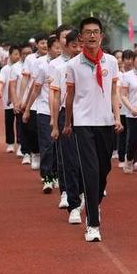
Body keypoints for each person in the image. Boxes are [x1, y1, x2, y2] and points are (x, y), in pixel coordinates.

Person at [63, 17, 123, 242]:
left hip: (106, 122)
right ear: (80, 37)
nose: (91, 35)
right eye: (87, 32)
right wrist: (68, 123)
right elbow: (69, 97)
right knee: (89, 170)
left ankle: (93, 202)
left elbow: (114, 91)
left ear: (102, 35)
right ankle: (93, 224)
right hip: (84, 122)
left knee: (104, 168)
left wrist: (117, 116)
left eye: (95, 32)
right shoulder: (73, 65)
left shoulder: (111, 62)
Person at [51, 30, 84, 219]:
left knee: (88, 161)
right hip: (67, 115)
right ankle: (73, 204)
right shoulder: (60, 69)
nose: (78, 49)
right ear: (67, 46)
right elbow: (56, 97)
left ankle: (83, 193)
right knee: (70, 160)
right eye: (74, 46)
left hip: (89, 117)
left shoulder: (94, 66)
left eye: (81, 45)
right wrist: (55, 124)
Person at [24, 35, 59, 193]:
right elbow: (36, 88)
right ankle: (47, 178)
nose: (59, 50)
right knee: (47, 145)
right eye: (56, 47)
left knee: (59, 146)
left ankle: (57, 174)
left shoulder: (66, 64)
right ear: (50, 48)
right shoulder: (42, 65)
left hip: (61, 110)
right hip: (44, 110)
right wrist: (27, 109)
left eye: (61, 47)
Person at [17, 35, 47, 169]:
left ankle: (45, 158)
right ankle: (35, 153)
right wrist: (22, 98)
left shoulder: (54, 60)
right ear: (37, 45)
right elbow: (25, 79)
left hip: (48, 99)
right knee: (33, 129)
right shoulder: (30, 59)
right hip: (33, 98)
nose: (45, 45)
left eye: (47, 43)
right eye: (42, 43)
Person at [0, 45, 21, 153]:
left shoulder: (22, 68)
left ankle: (21, 144)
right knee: (9, 122)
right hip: (8, 101)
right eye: (15, 54)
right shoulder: (5, 69)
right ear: (10, 55)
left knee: (20, 123)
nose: (17, 56)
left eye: (18, 54)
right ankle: (10, 143)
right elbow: (1, 81)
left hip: (20, 101)